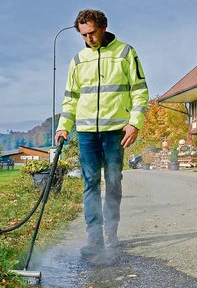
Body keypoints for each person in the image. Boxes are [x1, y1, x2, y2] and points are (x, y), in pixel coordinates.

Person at [54, 8, 149, 257]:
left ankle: (111, 233)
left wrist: (134, 122)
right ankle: (94, 238)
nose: (89, 39)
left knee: (114, 181)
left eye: (92, 33)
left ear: (103, 27)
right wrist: (64, 126)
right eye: (84, 35)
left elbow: (140, 91)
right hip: (86, 133)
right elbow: (70, 99)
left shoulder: (125, 53)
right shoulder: (78, 60)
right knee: (90, 183)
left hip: (115, 131)